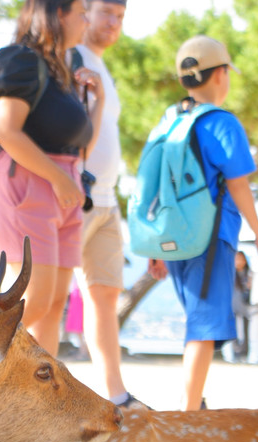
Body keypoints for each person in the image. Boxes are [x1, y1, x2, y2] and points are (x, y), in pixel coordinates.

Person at [147, 35, 258, 410]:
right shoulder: (222, 123)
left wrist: (154, 247)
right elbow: (238, 185)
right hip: (210, 236)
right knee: (202, 326)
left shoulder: (169, 120)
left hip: (173, 238)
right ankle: (188, 415)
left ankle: (192, 404)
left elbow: (152, 183)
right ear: (220, 74)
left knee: (198, 321)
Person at [0, 0, 104, 356]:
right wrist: (58, 178)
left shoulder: (62, 72)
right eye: (81, 12)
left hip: (64, 188)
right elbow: (6, 131)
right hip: (30, 184)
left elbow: (80, 147)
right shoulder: (20, 60)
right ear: (57, 14)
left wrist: (100, 100)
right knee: (29, 305)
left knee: (52, 307)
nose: (87, 20)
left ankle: (40, 408)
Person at [73, 0, 145, 408]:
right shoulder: (72, 58)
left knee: (103, 298)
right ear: (85, 10)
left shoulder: (102, 64)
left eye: (120, 17)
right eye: (107, 13)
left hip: (107, 199)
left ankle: (115, 396)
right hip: (76, 198)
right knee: (40, 300)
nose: (114, 23)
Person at [222, 250, 252, 362]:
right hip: (233, 306)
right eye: (237, 259)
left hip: (245, 308)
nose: (239, 261)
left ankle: (244, 354)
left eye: (241, 259)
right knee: (234, 331)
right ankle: (235, 353)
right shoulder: (230, 274)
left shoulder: (249, 274)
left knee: (245, 331)